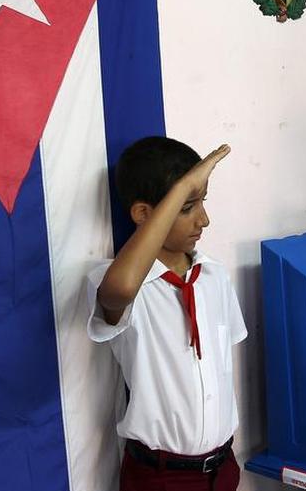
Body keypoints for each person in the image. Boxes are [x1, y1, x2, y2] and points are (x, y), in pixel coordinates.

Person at [86, 136, 246, 491]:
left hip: (222, 469)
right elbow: (121, 289)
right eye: (187, 207)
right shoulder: (118, 281)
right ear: (144, 214)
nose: (203, 219)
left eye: (202, 202)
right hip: (161, 477)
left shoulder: (215, 276)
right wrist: (184, 185)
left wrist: (187, 194)